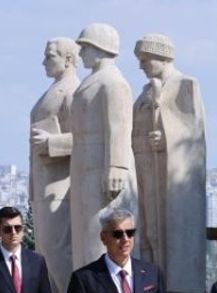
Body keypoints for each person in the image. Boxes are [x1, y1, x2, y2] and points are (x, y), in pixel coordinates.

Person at [131, 32, 208, 293]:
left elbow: (194, 135)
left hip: (169, 173)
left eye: (145, 59)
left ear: (162, 57)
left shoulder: (186, 84)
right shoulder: (144, 92)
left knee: (169, 235)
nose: (141, 66)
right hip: (145, 169)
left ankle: (174, 292)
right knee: (149, 232)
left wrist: (166, 137)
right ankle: (149, 287)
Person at [69, 23, 138, 268]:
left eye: (85, 47)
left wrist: (116, 167)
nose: (81, 53)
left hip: (103, 165)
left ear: (99, 48)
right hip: (86, 165)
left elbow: (119, 127)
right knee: (86, 233)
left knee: (99, 231)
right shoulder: (95, 81)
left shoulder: (113, 83)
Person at [29, 37, 80, 293]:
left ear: (68, 59)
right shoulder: (56, 89)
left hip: (60, 183)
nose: (44, 62)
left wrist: (52, 142)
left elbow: (84, 138)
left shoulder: (73, 91)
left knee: (56, 247)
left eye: (50, 56)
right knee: (46, 249)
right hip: (45, 181)